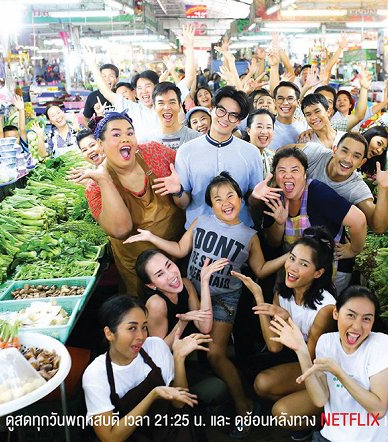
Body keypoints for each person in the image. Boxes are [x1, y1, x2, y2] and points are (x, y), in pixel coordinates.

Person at [125, 172, 286, 436]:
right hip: (193, 290)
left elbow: (261, 268)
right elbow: (178, 249)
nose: (225, 202)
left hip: (224, 298)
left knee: (214, 353)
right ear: (210, 204)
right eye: (217, 198)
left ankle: (244, 405)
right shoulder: (201, 222)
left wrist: (290, 255)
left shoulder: (249, 235)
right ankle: (207, 400)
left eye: (230, 195)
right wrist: (152, 239)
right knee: (199, 348)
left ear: (240, 199)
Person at [68, 112, 185, 296]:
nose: (125, 138)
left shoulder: (154, 152)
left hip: (178, 251)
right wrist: (105, 182)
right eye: (116, 134)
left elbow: (187, 167)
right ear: (100, 144)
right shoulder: (95, 187)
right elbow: (121, 230)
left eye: (130, 133)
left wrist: (181, 184)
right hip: (141, 271)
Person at [234, 227, 337, 439]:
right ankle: (305, 415)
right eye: (292, 258)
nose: (293, 267)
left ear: (318, 273)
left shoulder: (325, 308)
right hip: (306, 365)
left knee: (282, 413)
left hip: (329, 373)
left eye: (304, 264)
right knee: (261, 384)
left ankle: (329, 417)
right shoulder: (283, 292)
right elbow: (274, 346)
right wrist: (259, 299)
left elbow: (310, 358)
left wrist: (287, 319)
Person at [272, 285, 388, 442]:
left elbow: (378, 409)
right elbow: (320, 399)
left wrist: (339, 372)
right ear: (336, 313)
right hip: (331, 436)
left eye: (366, 319)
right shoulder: (326, 342)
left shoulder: (381, 345)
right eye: (350, 315)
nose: (357, 326)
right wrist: (301, 351)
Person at [82, 295, 209, 442]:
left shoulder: (156, 346)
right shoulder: (95, 375)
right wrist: (152, 395)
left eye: (144, 327)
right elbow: (110, 437)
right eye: (132, 328)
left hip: (169, 430)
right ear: (109, 333)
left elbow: (179, 403)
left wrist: (178, 359)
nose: (141, 336)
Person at [156, 86, 274, 230]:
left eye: (233, 115)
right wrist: (178, 191)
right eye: (221, 110)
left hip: (240, 233)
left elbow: (252, 201)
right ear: (212, 108)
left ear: (238, 121)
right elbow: (183, 204)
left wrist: (256, 197)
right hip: (198, 233)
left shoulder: (251, 153)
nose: (225, 118)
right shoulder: (186, 151)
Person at [263, 148, 367, 291]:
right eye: (282, 170)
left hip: (329, 270)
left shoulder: (318, 192)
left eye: (295, 170)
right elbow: (274, 242)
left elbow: (359, 220)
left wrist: (353, 250)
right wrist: (279, 223)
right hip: (296, 271)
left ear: (305, 174)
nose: (288, 176)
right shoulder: (275, 197)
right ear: (275, 175)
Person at [85, 26, 195, 143]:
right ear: (136, 93)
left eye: (148, 86)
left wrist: (190, 48)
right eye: (139, 88)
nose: (144, 91)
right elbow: (105, 92)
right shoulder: (132, 108)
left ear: (156, 88)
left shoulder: (166, 104)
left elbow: (190, 78)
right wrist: (93, 65)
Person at [288, 133, 388, 232]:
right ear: (334, 150)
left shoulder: (356, 187)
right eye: (344, 151)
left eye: (356, 156)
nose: (348, 159)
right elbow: (282, 151)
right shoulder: (315, 153)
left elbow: (378, 227)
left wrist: (383, 188)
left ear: (361, 163)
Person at [135, 249, 214, 348]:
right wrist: (182, 323)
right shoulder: (156, 304)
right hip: (170, 359)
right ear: (151, 285)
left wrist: (204, 281)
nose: (171, 275)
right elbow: (159, 350)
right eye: (160, 274)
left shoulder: (187, 284)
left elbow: (205, 327)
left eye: (169, 265)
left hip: (190, 347)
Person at [148, 82, 201, 150]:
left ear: (180, 106)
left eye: (172, 102)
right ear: (154, 107)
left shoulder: (196, 138)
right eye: (161, 103)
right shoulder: (147, 142)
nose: (167, 107)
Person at [267, 81, 308, 152]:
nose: (285, 103)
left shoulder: (306, 127)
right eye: (280, 98)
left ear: (298, 102)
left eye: (290, 98)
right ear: (274, 102)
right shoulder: (266, 126)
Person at [245, 109, 275, 179]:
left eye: (269, 127)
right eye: (259, 126)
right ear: (249, 131)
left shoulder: (272, 155)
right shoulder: (241, 157)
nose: (264, 131)